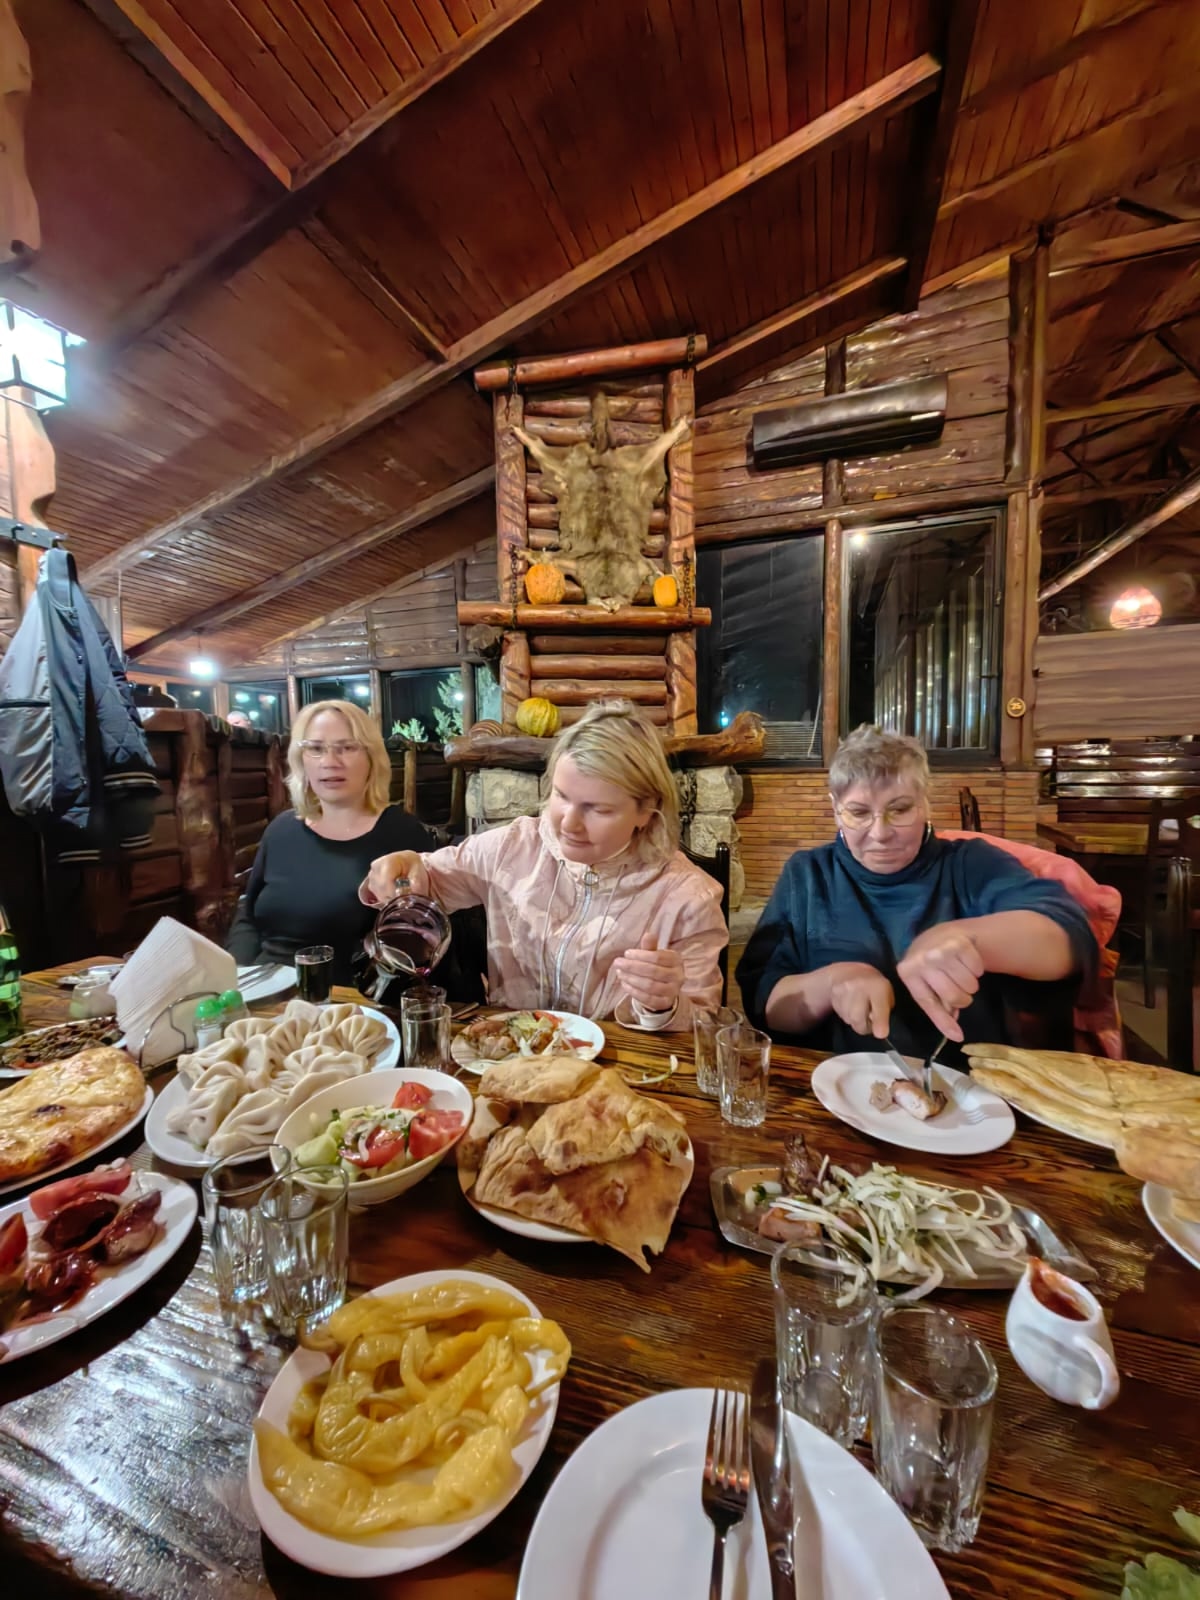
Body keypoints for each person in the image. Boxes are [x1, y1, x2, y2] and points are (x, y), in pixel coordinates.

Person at [736, 725, 1098, 1060]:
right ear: (835, 810)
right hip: (839, 1086)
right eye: (858, 813)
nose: (880, 833)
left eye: (900, 809)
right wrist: (831, 983)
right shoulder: (808, 874)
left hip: (968, 1087)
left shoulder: (971, 864)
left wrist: (966, 938)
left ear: (925, 803)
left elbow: (1070, 939)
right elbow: (765, 1004)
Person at [361, 700, 727, 1029]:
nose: (569, 823)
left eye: (598, 809)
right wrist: (404, 868)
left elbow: (706, 1022)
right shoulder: (514, 847)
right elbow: (427, 881)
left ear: (646, 811)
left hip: (620, 1068)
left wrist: (665, 1006)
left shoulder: (688, 898)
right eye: (561, 796)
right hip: (509, 1055)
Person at [226, 700, 434, 986]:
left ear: (372, 758)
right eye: (315, 748)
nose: (330, 761)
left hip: (347, 998)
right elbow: (248, 915)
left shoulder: (403, 835)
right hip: (264, 991)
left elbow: (416, 944)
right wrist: (237, 974)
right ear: (301, 759)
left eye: (346, 747)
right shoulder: (281, 830)